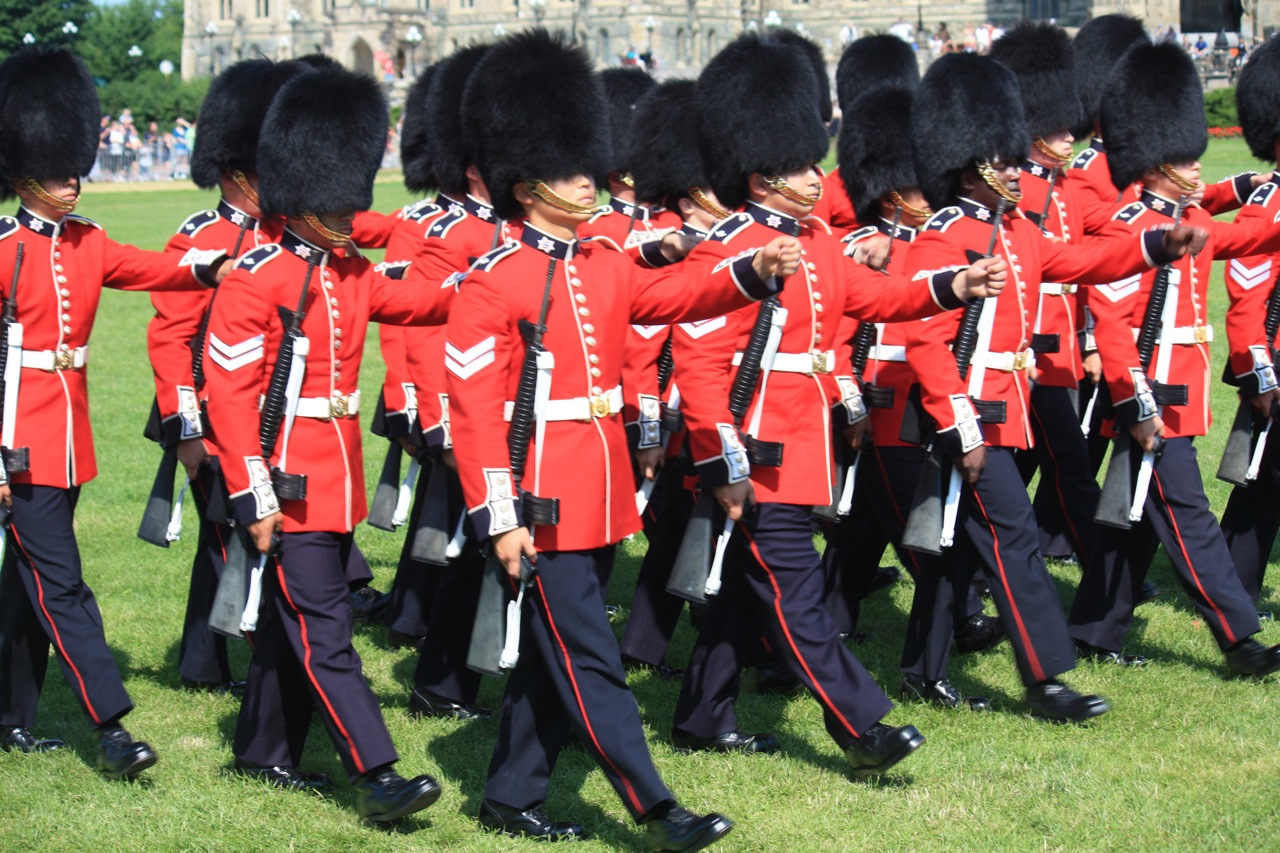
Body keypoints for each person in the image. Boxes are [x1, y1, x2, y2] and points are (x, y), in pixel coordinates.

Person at [448, 28, 797, 849]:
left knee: (551, 656)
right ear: (529, 185)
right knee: (592, 655)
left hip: (600, 488)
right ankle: (654, 805)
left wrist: (750, 272)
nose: (590, 180)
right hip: (541, 498)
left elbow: (673, 295)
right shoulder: (493, 282)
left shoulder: (597, 262)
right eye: (575, 170)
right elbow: (473, 414)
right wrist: (499, 516)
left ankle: (508, 793)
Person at [666, 33, 1004, 774]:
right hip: (755, 447)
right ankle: (862, 723)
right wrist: (721, 455)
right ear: (759, 175)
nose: (816, 176)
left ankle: (699, 715)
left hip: (804, 440)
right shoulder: (731, 248)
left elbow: (876, 298)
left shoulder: (814, 239)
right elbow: (696, 362)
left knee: (750, 591)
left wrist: (953, 287)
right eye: (798, 164)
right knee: (794, 591)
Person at [901, 52, 1207, 721]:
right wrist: (958, 421)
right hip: (969, 415)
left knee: (957, 546)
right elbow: (925, 339)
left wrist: (1156, 246)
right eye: (1001, 159)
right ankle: (1045, 678)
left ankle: (921, 670)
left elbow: (1082, 260)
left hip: (1003, 410)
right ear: (966, 161)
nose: (1015, 169)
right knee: (1014, 538)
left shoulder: (1013, 232)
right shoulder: (943, 237)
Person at [202, 62, 447, 822]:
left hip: (333, 477)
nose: (350, 209)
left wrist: (489, 275)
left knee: (289, 622)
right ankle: (376, 772)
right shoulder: (255, 277)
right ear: (301, 190)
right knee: (325, 628)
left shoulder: (346, 269)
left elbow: (421, 299)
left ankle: (263, 749)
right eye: (338, 195)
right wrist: (252, 492)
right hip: (285, 480)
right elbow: (230, 397)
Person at [0, 46, 229, 773]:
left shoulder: (88, 240)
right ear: (23, 170)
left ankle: (10, 716)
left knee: (24, 586)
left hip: (66, 439)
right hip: (19, 445)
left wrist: (214, 264)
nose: (73, 180)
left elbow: (154, 266)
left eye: (76, 165)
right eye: (58, 168)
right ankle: (109, 724)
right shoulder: (3, 250)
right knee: (61, 585)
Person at [1067, 41, 1280, 677]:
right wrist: (1135, 400)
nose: (1196, 169)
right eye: (1182, 158)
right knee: (1188, 517)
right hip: (1149, 391)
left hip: (1177, 384)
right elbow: (1111, 320)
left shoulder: (1184, 215)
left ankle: (1094, 629)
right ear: (1154, 161)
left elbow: (1244, 234)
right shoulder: (1132, 226)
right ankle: (1240, 638)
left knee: (1128, 516)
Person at [145, 59, 303, 699]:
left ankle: (220, 654)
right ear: (240, 173)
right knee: (223, 539)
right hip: (214, 414)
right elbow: (170, 334)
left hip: (271, 409)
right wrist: (184, 429)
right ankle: (206, 662)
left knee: (250, 536)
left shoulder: (279, 237)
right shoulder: (203, 236)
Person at [1218, 36, 1280, 604]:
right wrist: (1258, 372)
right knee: (1261, 484)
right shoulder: (1271, 203)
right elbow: (1247, 295)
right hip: (1278, 361)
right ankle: (1232, 587)